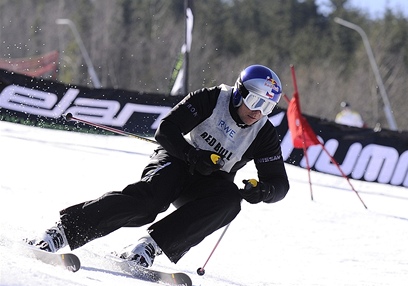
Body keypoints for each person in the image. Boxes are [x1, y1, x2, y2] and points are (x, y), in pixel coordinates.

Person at [25, 64, 290, 267]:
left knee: (231, 201)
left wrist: (263, 191)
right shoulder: (211, 99)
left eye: (267, 107)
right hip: (176, 160)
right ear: (238, 93)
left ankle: (149, 246)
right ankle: (63, 231)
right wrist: (192, 155)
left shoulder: (263, 133)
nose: (258, 112)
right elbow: (166, 130)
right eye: (255, 101)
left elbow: (280, 183)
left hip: (209, 181)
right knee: (147, 203)